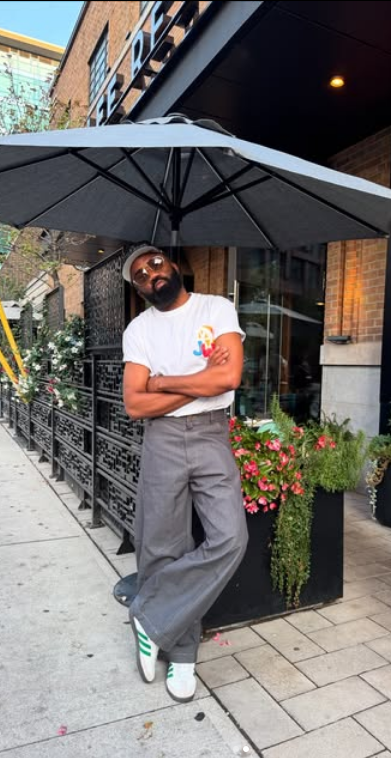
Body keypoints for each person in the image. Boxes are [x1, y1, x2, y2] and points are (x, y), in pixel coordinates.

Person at [122, 244, 248, 703]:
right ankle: (181, 655)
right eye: (139, 274)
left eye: (155, 263)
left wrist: (162, 381)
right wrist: (198, 381)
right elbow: (135, 404)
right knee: (161, 545)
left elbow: (228, 378)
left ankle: (149, 615)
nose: (150, 274)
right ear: (138, 289)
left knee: (230, 537)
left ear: (173, 265)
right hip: (163, 438)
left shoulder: (216, 309)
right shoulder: (139, 330)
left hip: (212, 434)